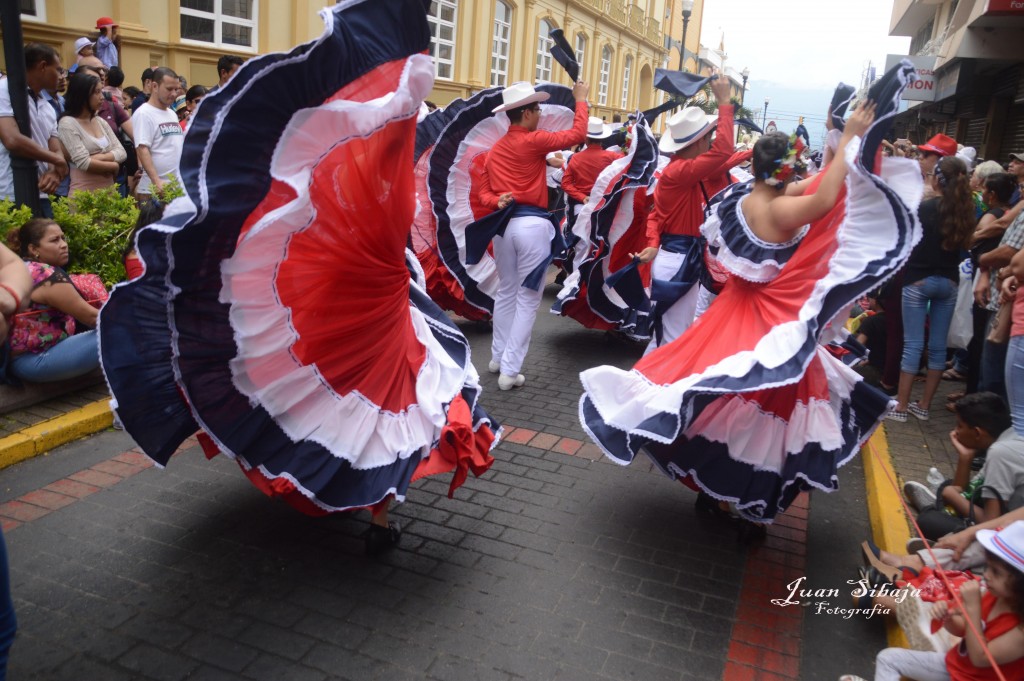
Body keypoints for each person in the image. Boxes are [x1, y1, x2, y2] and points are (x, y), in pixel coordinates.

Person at [98, 0, 499, 556]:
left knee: (350, 390)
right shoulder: (381, 195)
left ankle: (351, 490)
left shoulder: (362, 191)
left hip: (374, 301)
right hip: (377, 305)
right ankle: (379, 513)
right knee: (397, 394)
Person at [579, 62, 923, 531]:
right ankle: (740, 495)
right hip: (762, 318)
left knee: (727, 398)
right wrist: (849, 140)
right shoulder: (779, 208)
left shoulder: (745, 197)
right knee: (756, 409)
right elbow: (824, 198)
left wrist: (839, 137)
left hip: (734, 310)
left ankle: (724, 493)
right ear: (783, 170)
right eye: (793, 165)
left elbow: (821, 182)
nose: (798, 171)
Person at [474, 79, 590, 390]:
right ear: (526, 113)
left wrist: (496, 201)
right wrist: (581, 99)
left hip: (503, 228)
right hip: (532, 227)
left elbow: (483, 193)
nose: (540, 114)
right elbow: (578, 134)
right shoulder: (533, 140)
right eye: (537, 109)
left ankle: (498, 358)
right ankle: (510, 370)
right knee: (527, 299)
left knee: (506, 292)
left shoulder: (494, 151)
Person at [631, 76, 735, 354]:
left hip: (676, 257)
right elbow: (725, 151)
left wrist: (653, 243)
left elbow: (655, 216)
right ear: (699, 141)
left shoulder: (678, 172)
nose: (711, 144)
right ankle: (650, 382)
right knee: (673, 338)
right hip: (679, 259)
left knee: (666, 336)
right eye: (708, 138)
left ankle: (642, 380)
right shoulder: (681, 172)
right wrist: (724, 102)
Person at [845, 521, 1024, 681]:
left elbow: (980, 658)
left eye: (996, 572)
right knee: (888, 659)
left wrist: (973, 609)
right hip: (956, 667)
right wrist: (948, 618)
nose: (987, 575)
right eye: (988, 568)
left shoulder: (1020, 631)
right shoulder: (994, 595)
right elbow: (963, 629)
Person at [888, 156, 975, 422]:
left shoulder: (924, 208)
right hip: (949, 282)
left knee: (913, 345)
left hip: (918, 280)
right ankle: (924, 406)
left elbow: (904, 240)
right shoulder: (964, 212)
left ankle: (901, 407)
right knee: (938, 347)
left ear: (937, 179)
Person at [5, 219, 102, 383]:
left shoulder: (24, 267)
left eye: (63, 238)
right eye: (54, 240)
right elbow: (92, 318)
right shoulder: (44, 275)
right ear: (34, 249)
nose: (63, 245)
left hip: (26, 358)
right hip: (34, 360)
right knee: (125, 331)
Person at [0, 43, 68, 218]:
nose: (61, 76)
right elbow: (11, 139)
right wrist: (56, 160)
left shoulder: (47, 106)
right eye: (58, 70)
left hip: (41, 194)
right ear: (43, 66)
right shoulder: (4, 89)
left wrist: (53, 170)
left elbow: (55, 149)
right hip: (8, 194)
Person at [56, 71, 126, 193]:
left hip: (109, 193)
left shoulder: (99, 121)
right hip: (84, 194)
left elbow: (122, 152)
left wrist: (96, 157)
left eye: (101, 91)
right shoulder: (67, 123)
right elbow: (83, 162)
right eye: (97, 92)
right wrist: (113, 166)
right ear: (82, 95)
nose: (102, 97)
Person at [131, 67, 184, 199]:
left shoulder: (172, 114)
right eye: (169, 89)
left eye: (176, 89)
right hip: (153, 191)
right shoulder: (144, 113)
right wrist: (157, 182)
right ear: (155, 86)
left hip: (174, 189)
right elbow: (142, 148)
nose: (174, 94)